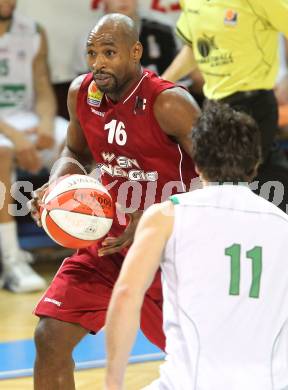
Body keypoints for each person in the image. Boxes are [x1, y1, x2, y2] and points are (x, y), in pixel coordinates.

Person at [30, 13, 200, 390]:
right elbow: (74, 151)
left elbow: (219, 182)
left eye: (109, 52)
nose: (98, 63)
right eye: (92, 53)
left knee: (197, 358)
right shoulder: (82, 93)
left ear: (135, 51)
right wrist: (58, 183)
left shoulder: (170, 103)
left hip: (170, 250)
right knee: (50, 336)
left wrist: (160, 213)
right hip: (109, 244)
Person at [104, 100, 288, 390]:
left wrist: (112, 383)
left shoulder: (167, 215)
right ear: (255, 163)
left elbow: (127, 294)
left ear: (197, 161)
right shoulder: (282, 224)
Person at [162, 0, 288, 212]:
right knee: (220, 188)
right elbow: (195, 47)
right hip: (214, 107)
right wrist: (159, 84)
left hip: (254, 105)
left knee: (250, 186)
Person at [0, 0, 68, 293]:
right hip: (6, 129)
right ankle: (11, 261)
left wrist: (44, 125)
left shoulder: (33, 31)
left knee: (77, 139)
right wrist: (17, 138)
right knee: (1, 153)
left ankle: (87, 243)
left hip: (24, 119)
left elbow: (42, 87)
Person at [74, 0, 179, 76]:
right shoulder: (88, 39)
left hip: (158, 101)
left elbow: (178, 84)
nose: (123, 1)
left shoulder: (163, 32)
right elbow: (84, 89)